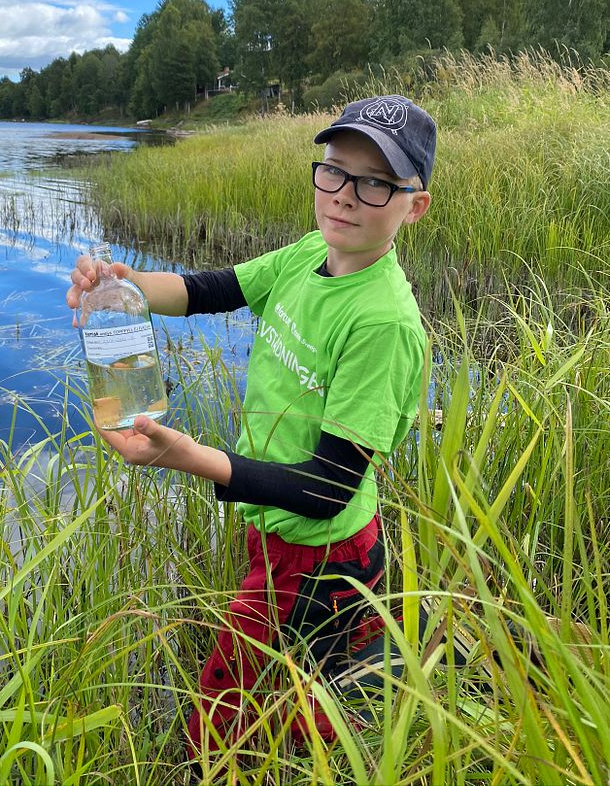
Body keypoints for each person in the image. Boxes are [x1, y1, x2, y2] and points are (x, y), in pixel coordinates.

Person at [66, 94, 436, 755]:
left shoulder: (383, 321)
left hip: (322, 552)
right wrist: (123, 283)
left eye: (376, 182)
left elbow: (328, 488)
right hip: (278, 533)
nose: (345, 195)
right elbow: (212, 289)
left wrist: (188, 455)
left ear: (415, 203)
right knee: (308, 687)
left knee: (228, 708)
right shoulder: (307, 254)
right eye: (334, 170)